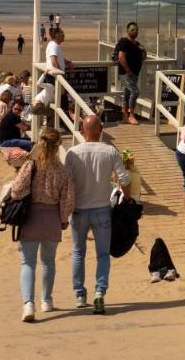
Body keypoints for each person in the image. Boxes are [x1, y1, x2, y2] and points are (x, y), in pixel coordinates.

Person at [64, 115, 131, 314]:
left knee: (78, 252)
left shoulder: (72, 153)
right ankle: (99, 292)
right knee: (102, 254)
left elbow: (66, 182)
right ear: (100, 130)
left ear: (82, 130)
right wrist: (126, 199)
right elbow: (124, 178)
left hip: (78, 209)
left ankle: (79, 294)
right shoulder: (110, 151)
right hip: (102, 208)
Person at [10, 128, 75, 322]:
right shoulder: (63, 171)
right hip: (52, 219)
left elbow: (16, 191)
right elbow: (68, 200)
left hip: (31, 217)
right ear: (58, 147)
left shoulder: (31, 165)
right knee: (48, 261)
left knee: (28, 262)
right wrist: (64, 220)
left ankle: (28, 304)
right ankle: (46, 300)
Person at [114, 21, 146, 126]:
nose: (135, 31)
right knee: (135, 92)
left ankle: (124, 117)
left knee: (127, 93)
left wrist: (143, 50)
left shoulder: (136, 44)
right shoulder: (124, 42)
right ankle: (131, 115)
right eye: (132, 29)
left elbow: (144, 57)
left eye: (136, 30)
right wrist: (128, 70)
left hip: (135, 73)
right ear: (128, 31)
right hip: (126, 73)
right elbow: (121, 57)